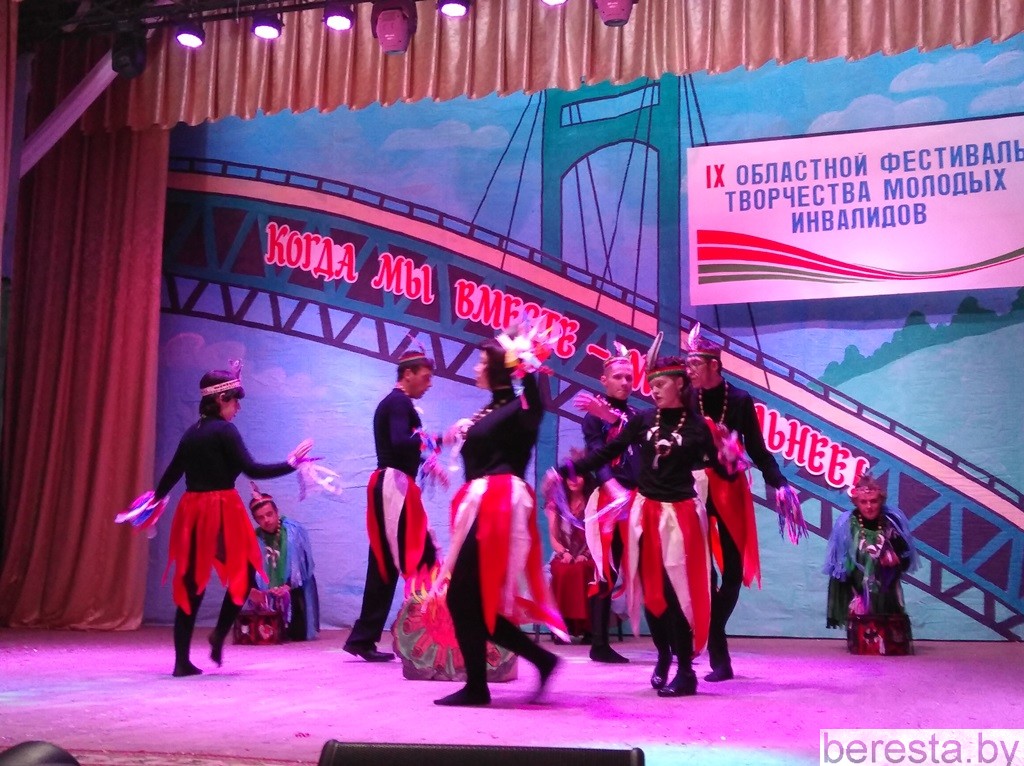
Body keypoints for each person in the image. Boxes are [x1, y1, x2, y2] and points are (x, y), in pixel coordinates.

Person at [564, 346, 738, 697]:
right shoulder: (643, 420)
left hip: (681, 516)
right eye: (652, 384)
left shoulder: (697, 427)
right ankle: (663, 657)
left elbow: (721, 471)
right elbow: (605, 453)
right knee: (653, 593)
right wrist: (565, 469)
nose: (653, 389)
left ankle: (685, 671)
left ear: (679, 385)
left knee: (676, 593)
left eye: (661, 384)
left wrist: (730, 461)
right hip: (645, 512)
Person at [155, 366, 313, 677]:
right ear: (221, 399)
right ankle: (218, 634)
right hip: (221, 510)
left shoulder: (192, 433)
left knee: (191, 585)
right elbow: (252, 469)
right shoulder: (225, 432)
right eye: (235, 401)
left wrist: (153, 500)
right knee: (244, 575)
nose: (238, 408)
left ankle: (181, 661)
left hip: (193, 511)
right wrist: (291, 463)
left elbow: (172, 473)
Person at [433, 336, 566, 707]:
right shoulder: (489, 410)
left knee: (462, 596)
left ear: (498, 368)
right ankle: (537, 662)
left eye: (481, 362)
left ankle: (480, 686)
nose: (476, 367)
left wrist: (527, 365)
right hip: (481, 502)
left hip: (499, 504)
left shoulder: (519, 409)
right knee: (471, 602)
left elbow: (536, 407)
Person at [684, 326, 793, 683]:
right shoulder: (687, 398)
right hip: (696, 488)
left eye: (695, 364)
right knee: (705, 571)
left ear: (714, 365)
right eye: (688, 364)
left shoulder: (740, 400)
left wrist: (780, 483)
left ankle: (713, 631)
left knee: (732, 572)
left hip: (730, 490)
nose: (689, 370)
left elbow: (758, 450)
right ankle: (720, 658)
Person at [343, 346, 439, 662]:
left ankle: (363, 637)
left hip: (392, 484)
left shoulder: (396, 403)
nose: (429, 384)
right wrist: (438, 440)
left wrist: (425, 462)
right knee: (423, 554)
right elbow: (399, 442)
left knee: (385, 562)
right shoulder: (399, 402)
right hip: (393, 486)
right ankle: (437, 628)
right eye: (425, 377)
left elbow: (401, 446)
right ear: (407, 374)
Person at [572, 349, 641, 664]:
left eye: (629, 377)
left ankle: (672, 643)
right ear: (604, 381)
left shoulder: (638, 416)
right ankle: (599, 643)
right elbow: (596, 453)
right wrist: (611, 486)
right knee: (605, 570)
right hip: (610, 500)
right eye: (618, 377)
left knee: (650, 566)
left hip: (639, 498)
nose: (625, 383)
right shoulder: (593, 417)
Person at [824, 473, 918, 635]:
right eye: (863, 502)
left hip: (885, 588)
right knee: (863, 635)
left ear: (881, 501)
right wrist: (854, 593)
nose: (869, 506)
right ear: (856, 502)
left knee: (889, 636)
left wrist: (896, 559)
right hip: (857, 587)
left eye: (873, 501)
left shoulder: (891, 524)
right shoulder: (847, 525)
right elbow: (840, 565)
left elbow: (906, 558)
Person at [248, 484, 320, 641]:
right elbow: (250, 569)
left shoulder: (293, 532)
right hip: (268, 591)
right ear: (255, 520)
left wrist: (287, 586)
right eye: (260, 517)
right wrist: (255, 589)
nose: (266, 520)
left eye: (269, 514)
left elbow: (302, 565)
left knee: (297, 635)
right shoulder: (254, 538)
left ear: (277, 512)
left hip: (294, 587)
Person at [543, 471, 595, 641]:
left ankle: (588, 629)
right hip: (563, 554)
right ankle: (561, 627)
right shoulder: (556, 504)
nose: (573, 480)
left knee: (581, 570)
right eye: (569, 476)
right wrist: (564, 553)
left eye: (578, 475)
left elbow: (596, 535)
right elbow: (553, 538)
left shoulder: (593, 502)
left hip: (589, 554)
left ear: (586, 479)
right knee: (563, 571)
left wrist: (585, 554)